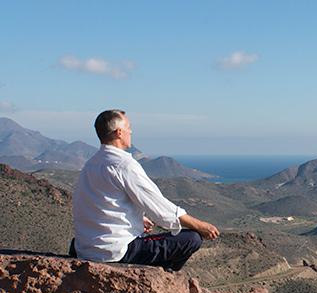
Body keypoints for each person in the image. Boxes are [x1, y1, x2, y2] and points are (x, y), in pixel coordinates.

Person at [72, 109, 219, 271]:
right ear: (119, 132)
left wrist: (135, 217)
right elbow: (161, 209)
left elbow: (91, 204)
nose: (131, 132)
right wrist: (200, 226)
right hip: (116, 251)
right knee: (192, 239)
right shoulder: (123, 165)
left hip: (85, 249)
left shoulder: (91, 164)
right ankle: (164, 276)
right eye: (128, 128)